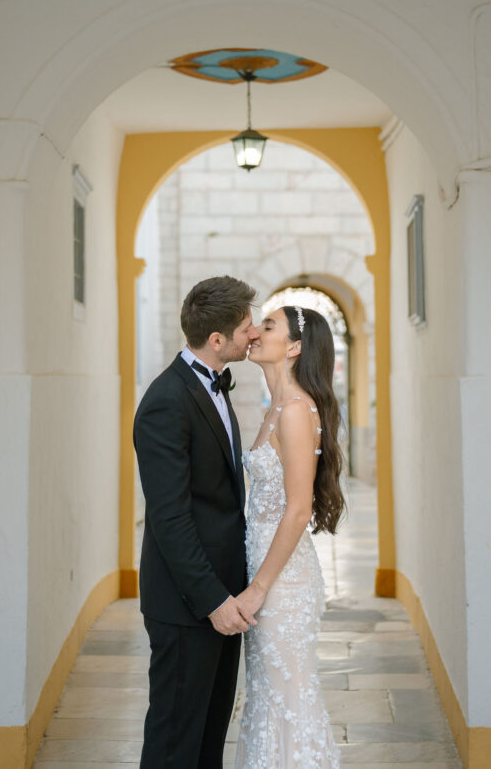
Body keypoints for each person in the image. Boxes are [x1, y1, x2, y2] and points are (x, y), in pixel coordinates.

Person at [133, 275, 259, 769]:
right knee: (174, 743)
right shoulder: (167, 400)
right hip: (188, 604)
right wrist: (212, 601)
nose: (253, 334)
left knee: (208, 738)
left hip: (222, 596)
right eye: (247, 327)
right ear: (217, 339)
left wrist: (229, 597)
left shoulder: (212, 387)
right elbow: (169, 518)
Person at [233, 305, 345, 768]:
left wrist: (259, 587)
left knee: (287, 696)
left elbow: (298, 510)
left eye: (270, 326)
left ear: (295, 347)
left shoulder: (297, 410)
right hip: (264, 568)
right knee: (266, 696)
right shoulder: (276, 408)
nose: (255, 332)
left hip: (281, 582)